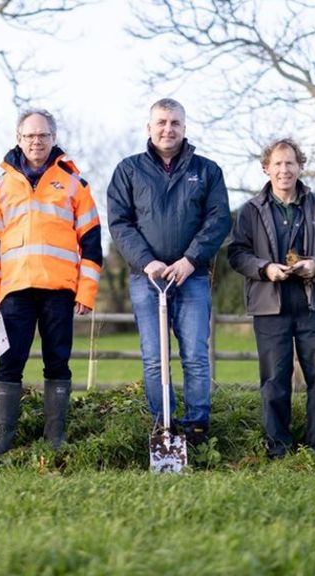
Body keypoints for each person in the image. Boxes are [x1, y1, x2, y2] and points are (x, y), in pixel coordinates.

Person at [106, 97, 231, 447]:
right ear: (149, 128)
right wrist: (147, 262)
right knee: (153, 359)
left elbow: (219, 219)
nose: (167, 129)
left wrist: (190, 260)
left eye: (174, 123)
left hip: (191, 277)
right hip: (147, 279)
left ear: (184, 128)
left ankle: (196, 428)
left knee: (194, 354)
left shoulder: (207, 170)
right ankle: (163, 426)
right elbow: (119, 223)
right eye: (161, 122)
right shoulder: (128, 171)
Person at [0, 109, 102, 455]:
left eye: (43, 135)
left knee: (58, 361)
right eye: (30, 135)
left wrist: (86, 291)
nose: (37, 141)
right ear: (18, 139)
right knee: (9, 362)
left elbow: (92, 241)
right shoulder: (0, 187)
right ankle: (3, 439)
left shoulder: (75, 184)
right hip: (14, 291)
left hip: (60, 291)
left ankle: (55, 438)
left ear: (53, 138)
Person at [227, 137, 315, 458]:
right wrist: (265, 268)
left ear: (300, 166)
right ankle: (277, 447)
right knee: (274, 381)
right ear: (266, 168)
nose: (284, 170)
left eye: (290, 163)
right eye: (278, 164)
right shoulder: (250, 211)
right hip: (270, 307)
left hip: (314, 305)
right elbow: (237, 254)